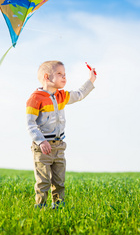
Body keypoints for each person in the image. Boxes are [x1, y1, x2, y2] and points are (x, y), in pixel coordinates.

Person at [26, 60, 96, 209]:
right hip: (42, 148)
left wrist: (91, 80)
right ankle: (41, 207)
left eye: (65, 74)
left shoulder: (61, 96)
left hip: (59, 147)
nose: (64, 77)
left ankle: (58, 207)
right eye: (59, 74)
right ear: (46, 77)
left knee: (59, 181)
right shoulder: (35, 98)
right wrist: (40, 141)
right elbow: (31, 124)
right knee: (43, 181)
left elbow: (79, 94)